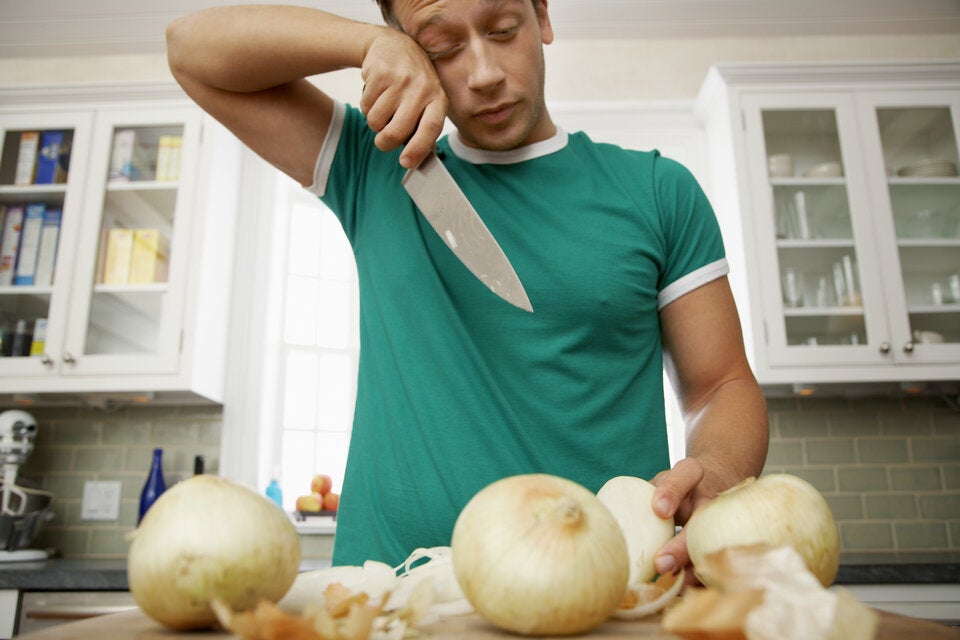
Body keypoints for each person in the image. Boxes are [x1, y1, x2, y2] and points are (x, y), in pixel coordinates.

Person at [166, 0, 768, 577]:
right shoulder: (376, 167)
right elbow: (190, 49)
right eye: (441, 46)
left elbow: (721, 384)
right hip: (392, 590)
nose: (482, 74)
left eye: (503, 29)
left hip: (606, 587)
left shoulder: (658, 190)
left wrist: (716, 470)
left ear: (544, 16)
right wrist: (368, 44)